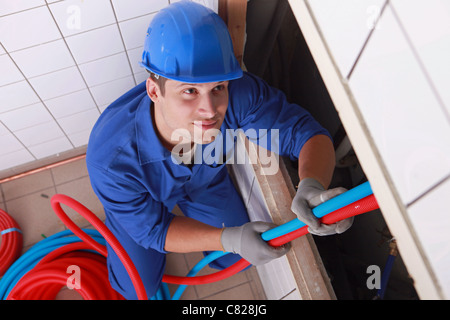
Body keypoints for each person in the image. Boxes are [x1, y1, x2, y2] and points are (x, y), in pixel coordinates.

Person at [86, 1, 352, 300]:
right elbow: (155, 232)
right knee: (138, 289)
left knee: (234, 259)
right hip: (142, 199)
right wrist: (229, 237)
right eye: (189, 91)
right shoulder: (110, 160)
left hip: (203, 182)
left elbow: (307, 135)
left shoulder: (239, 94)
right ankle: (121, 226)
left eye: (218, 88)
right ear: (153, 91)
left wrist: (313, 184)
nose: (210, 110)